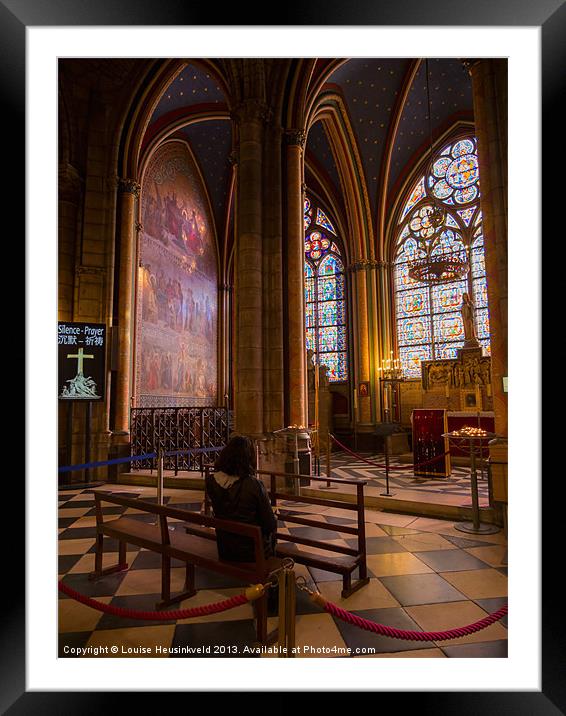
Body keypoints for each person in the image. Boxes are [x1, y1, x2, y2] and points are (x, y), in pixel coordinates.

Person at [205, 435, 277, 564]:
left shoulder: (211, 481)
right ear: (249, 458)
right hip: (252, 552)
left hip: (225, 547)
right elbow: (269, 524)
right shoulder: (254, 485)